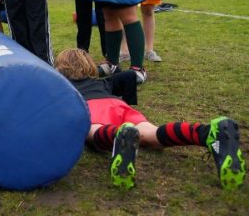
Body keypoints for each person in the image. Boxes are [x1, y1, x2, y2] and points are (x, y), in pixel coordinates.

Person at [55, 48, 245, 190]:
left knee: (92, 131)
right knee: (151, 134)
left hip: (91, 108)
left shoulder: (61, 86)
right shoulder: (102, 82)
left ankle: (118, 135)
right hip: (120, 107)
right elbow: (129, 75)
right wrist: (130, 104)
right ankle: (207, 133)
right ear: (89, 66)